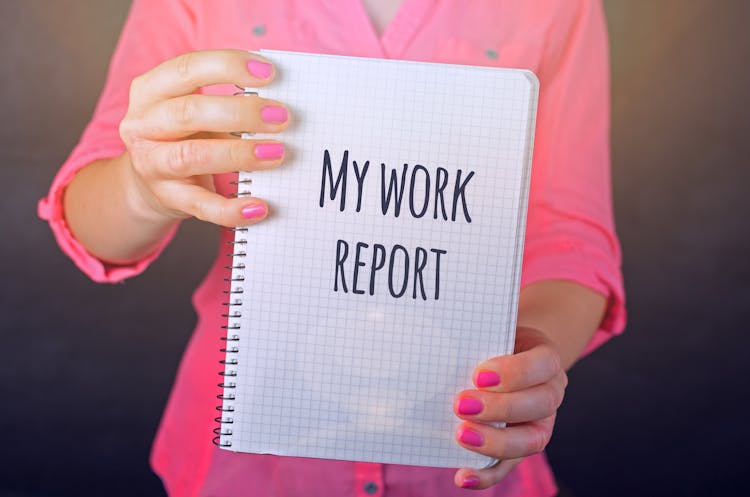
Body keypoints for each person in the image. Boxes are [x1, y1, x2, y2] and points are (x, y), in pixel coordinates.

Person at [38, 0, 625, 495]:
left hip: (457, 453)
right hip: (239, 460)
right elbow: (92, 221)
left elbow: (571, 236)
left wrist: (522, 370)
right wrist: (143, 186)